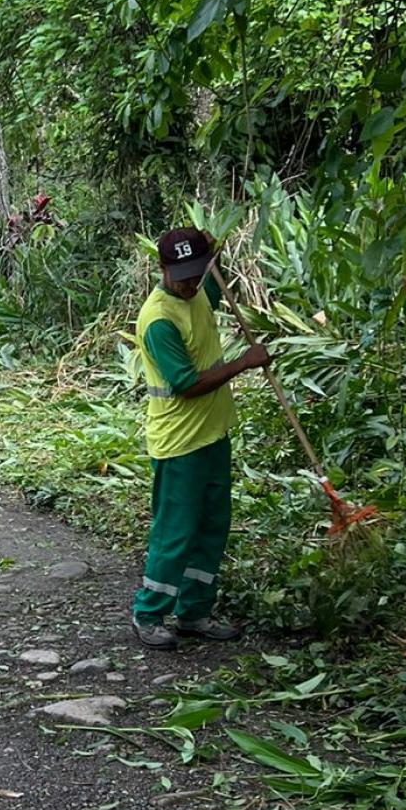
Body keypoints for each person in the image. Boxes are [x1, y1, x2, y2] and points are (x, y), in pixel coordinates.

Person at [131, 227, 270, 650]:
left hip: (212, 435)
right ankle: (149, 613)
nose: (192, 284)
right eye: (184, 276)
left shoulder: (199, 287)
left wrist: (211, 250)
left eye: (197, 273)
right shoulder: (158, 320)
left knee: (212, 528)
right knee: (176, 532)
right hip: (179, 444)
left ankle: (194, 612)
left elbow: (213, 273)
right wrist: (245, 363)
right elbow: (187, 384)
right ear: (162, 269)